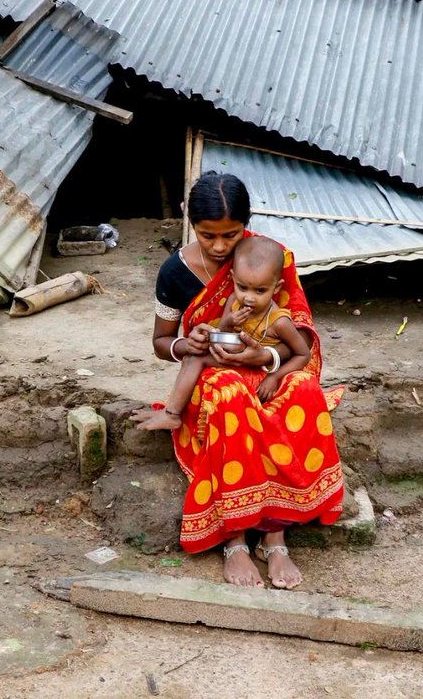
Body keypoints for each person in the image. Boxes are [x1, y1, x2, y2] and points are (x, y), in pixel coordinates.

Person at [138, 172, 344, 589]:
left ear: (247, 223)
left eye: (230, 235)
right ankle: (234, 539)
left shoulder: (269, 259)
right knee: (231, 401)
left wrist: (264, 356)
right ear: (190, 223)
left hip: (268, 367)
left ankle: (275, 534)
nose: (218, 247)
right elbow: (161, 342)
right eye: (207, 235)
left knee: (303, 391)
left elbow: (297, 337)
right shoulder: (174, 272)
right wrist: (187, 344)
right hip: (210, 375)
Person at [137, 235, 311, 430]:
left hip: (261, 371)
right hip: (233, 359)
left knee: (199, 363)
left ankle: (173, 413)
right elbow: (224, 333)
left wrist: (273, 377)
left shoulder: (279, 321)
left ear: (276, 287)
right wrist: (227, 323)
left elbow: (303, 354)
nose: (249, 298)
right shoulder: (233, 302)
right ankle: (172, 414)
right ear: (234, 279)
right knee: (193, 358)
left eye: (260, 291)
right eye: (243, 287)